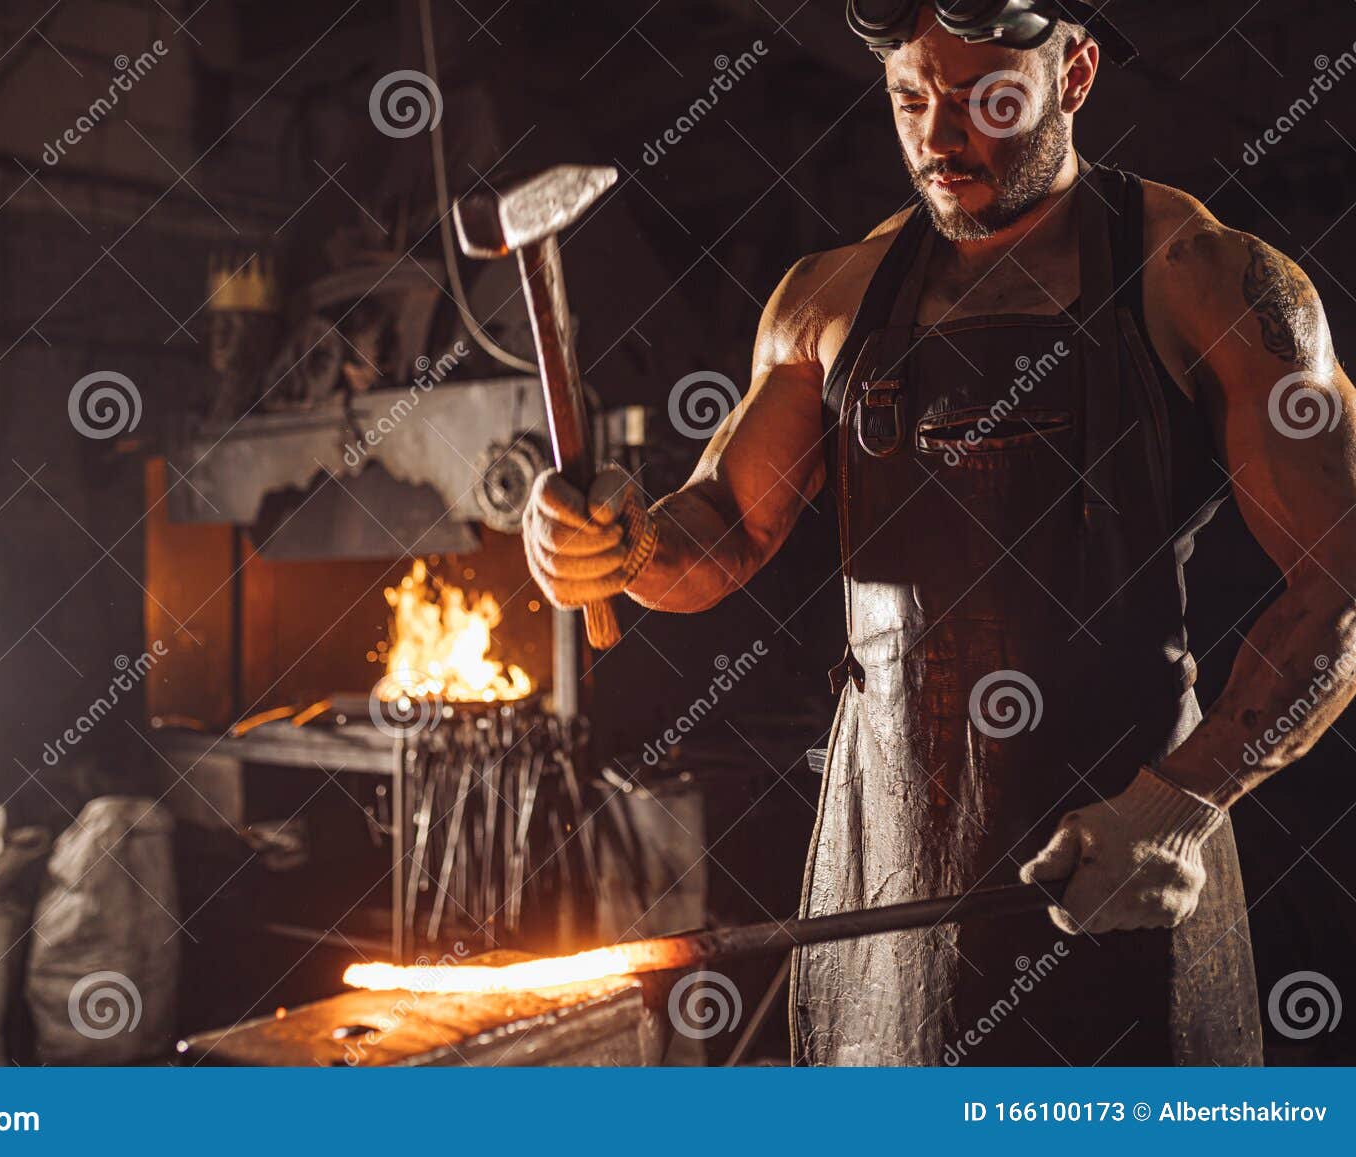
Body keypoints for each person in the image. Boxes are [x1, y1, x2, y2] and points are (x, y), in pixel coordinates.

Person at [521, 5, 1356, 1065]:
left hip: (1119, 866)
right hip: (881, 870)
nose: (939, 138)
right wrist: (619, 549)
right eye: (912, 99)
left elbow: (1340, 584)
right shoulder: (826, 300)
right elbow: (719, 531)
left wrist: (1180, 804)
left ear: (1078, 73)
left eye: (983, 100)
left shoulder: (1207, 277)